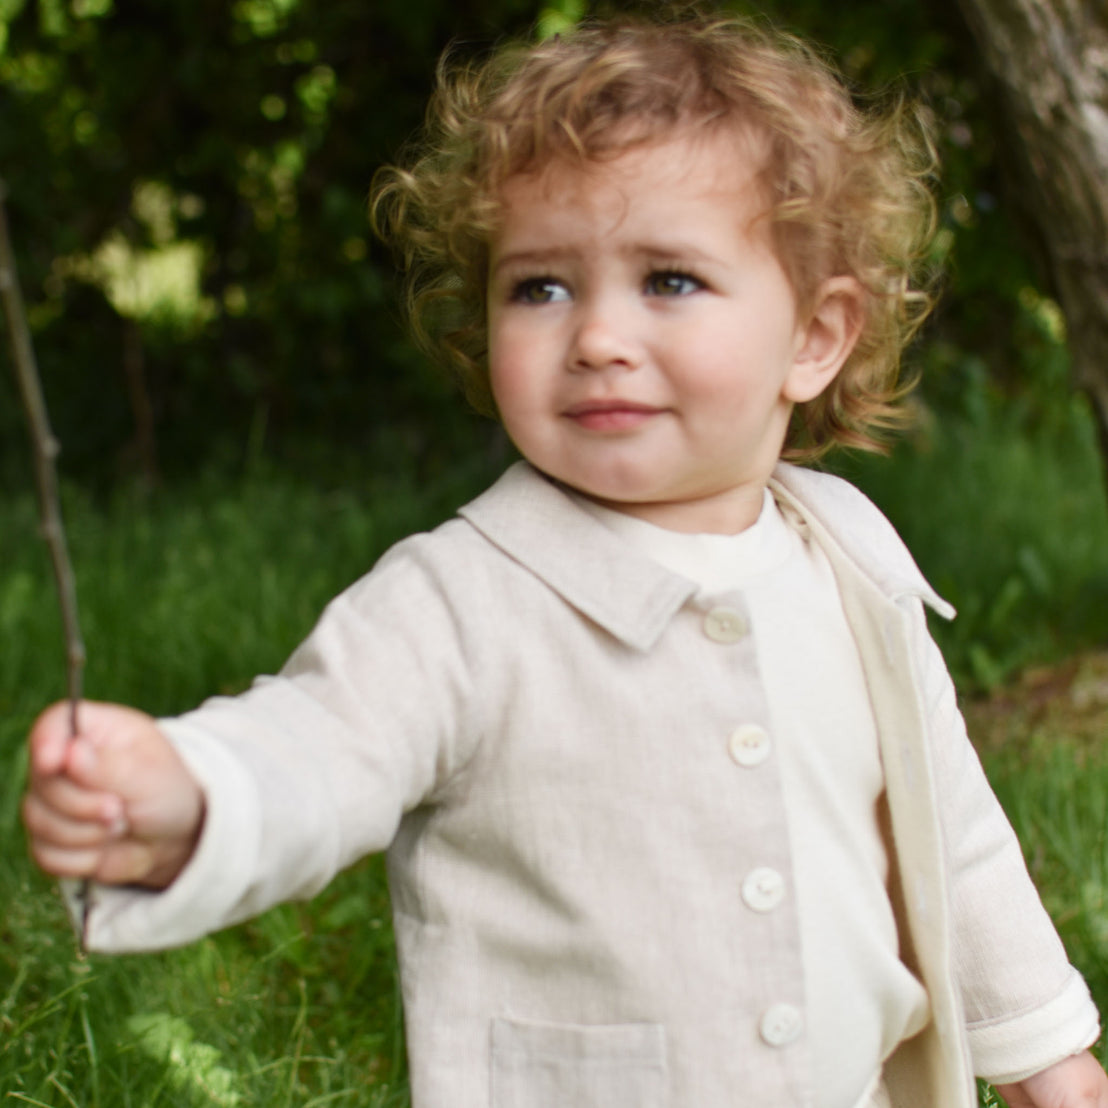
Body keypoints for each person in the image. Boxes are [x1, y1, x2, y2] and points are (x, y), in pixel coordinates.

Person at [22, 12, 1108, 1108]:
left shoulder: (850, 561)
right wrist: (188, 796)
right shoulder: (464, 600)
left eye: (669, 279)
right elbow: (317, 748)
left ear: (815, 336)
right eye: (540, 286)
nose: (596, 336)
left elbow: (953, 839)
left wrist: (1046, 1054)